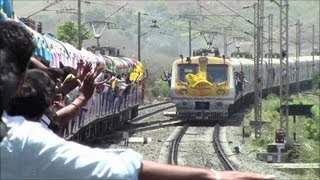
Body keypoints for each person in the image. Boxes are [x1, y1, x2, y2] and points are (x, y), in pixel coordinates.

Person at [0, 20, 276, 180]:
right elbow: (124, 169)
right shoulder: (22, 144)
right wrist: (212, 176)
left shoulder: (22, 141)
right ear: (21, 81)